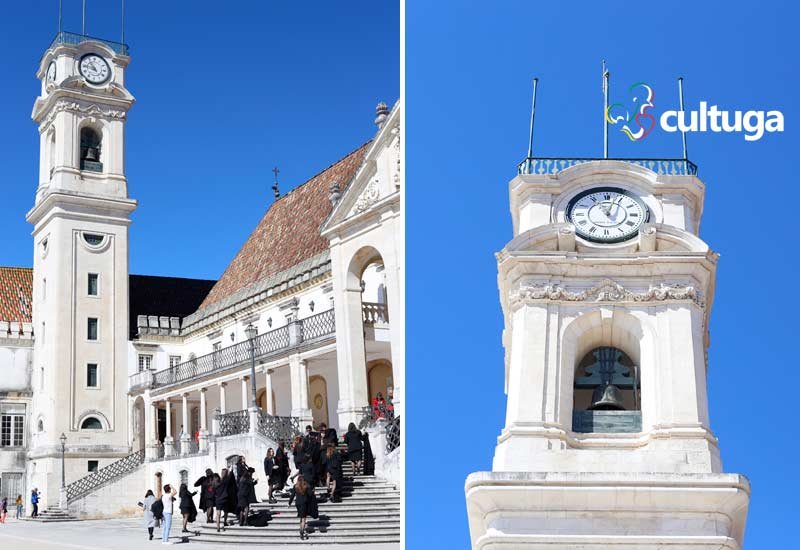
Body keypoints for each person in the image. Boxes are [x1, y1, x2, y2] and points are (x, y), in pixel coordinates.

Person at [288, 475, 318, 540]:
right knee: (304, 518)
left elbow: (292, 495)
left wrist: (289, 503)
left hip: (298, 504)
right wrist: (313, 491)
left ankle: (301, 528)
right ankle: (302, 530)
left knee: (301, 517)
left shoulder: (295, 486)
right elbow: (310, 494)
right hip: (304, 503)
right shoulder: (306, 486)